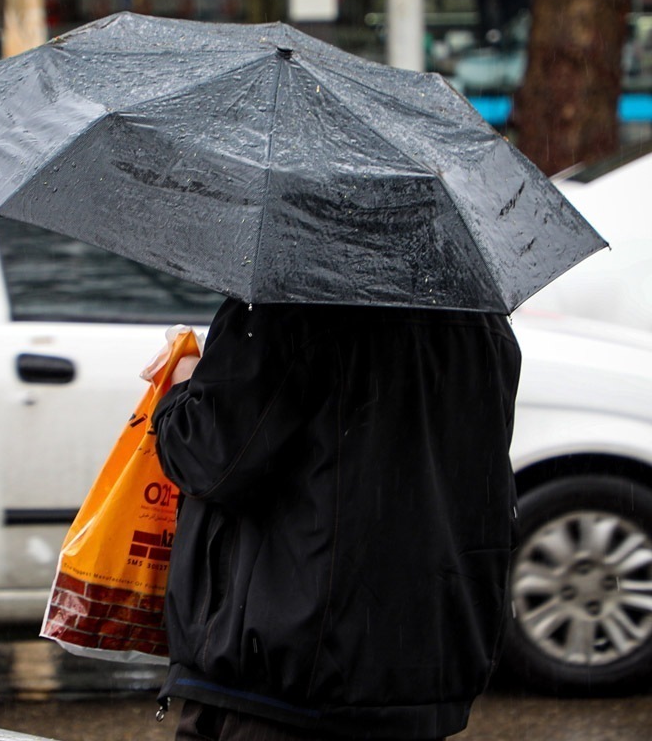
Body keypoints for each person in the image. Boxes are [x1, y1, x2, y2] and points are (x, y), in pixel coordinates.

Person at [152, 299, 521, 740]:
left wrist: (185, 379)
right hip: (420, 670)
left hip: (288, 678)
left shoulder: (288, 305)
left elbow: (205, 457)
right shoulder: (484, 325)